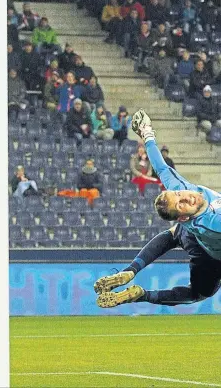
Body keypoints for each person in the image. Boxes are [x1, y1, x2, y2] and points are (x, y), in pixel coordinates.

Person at [95, 108, 221, 308]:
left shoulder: (181, 190)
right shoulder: (212, 222)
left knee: (174, 235)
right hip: (212, 256)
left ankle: (131, 270)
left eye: (179, 195)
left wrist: (147, 133)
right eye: (181, 205)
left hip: (192, 235)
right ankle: (142, 295)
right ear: (182, 216)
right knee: (197, 294)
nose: (186, 198)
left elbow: (160, 167)